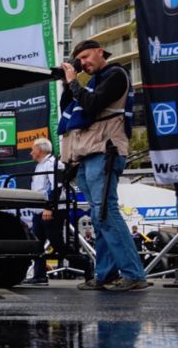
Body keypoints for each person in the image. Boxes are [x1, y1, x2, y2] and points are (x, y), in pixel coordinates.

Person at [58, 39, 149, 292]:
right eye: (80, 60)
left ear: (101, 52)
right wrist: (69, 81)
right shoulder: (93, 82)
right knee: (98, 218)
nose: (84, 63)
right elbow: (68, 106)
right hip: (89, 154)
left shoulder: (116, 74)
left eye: (87, 57)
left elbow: (91, 104)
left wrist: (75, 79)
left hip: (106, 151)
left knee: (105, 212)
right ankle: (105, 274)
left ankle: (133, 273)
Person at [27, 137, 63, 285]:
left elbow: (57, 187)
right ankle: (40, 276)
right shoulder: (40, 165)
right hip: (38, 212)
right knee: (37, 244)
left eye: (33, 149)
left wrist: (49, 208)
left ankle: (86, 267)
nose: (31, 153)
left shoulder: (53, 164)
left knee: (57, 243)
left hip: (50, 211)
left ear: (40, 150)